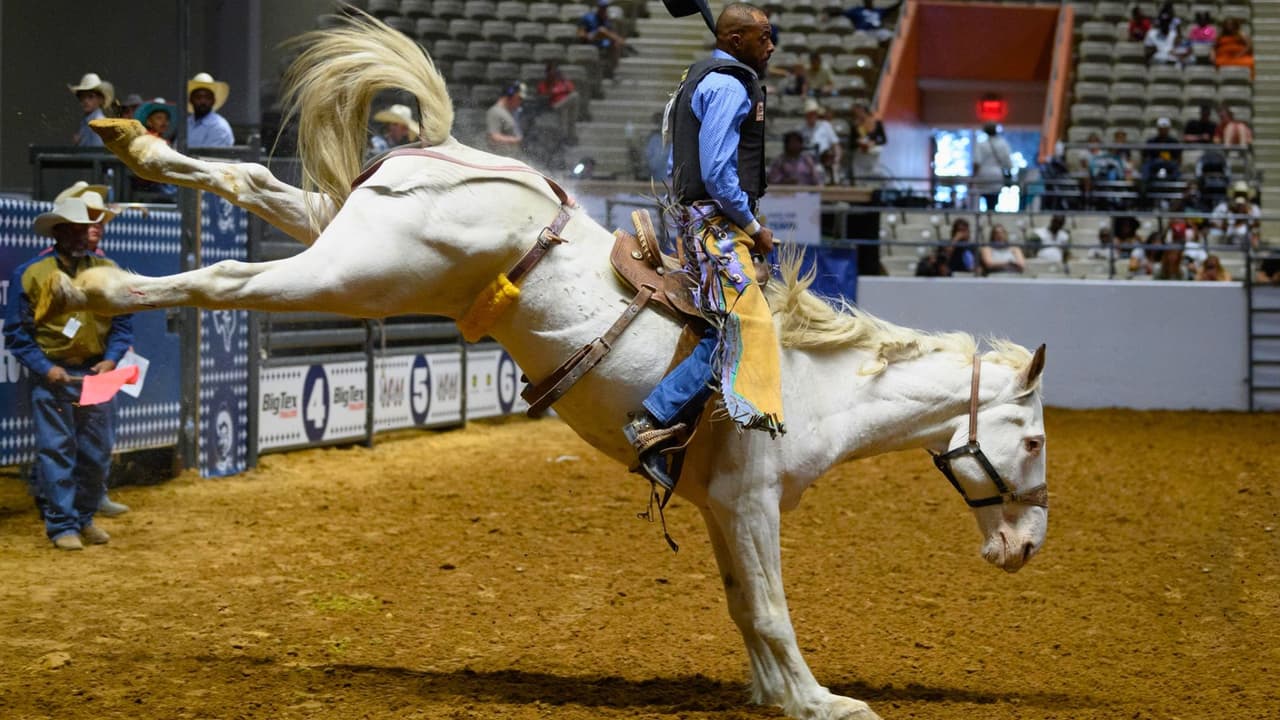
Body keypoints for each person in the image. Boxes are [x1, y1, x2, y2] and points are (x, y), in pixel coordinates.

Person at [625, 2, 779, 495]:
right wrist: (755, 227)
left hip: (695, 221)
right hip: (715, 225)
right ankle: (655, 417)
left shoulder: (705, 77)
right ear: (736, 41)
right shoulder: (730, 84)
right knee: (741, 326)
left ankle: (679, 436)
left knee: (723, 323)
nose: (771, 46)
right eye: (764, 37)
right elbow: (717, 173)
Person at [2, 197, 134, 549]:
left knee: (97, 451)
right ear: (58, 232)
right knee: (57, 449)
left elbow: (123, 323)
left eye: (83, 229)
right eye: (73, 230)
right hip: (56, 377)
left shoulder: (108, 269)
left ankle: (83, 517)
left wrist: (112, 358)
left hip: (96, 374)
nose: (80, 236)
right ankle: (63, 525)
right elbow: (16, 333)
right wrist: (47, 368)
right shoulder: (32, 273)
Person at [579, 0, 631, 79]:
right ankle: (624, 44)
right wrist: (589, 36)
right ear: (598, 7)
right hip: (589, 41)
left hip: (602, 42)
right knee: (602, 30)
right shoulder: (588, 17)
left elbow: (610, 34)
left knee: (615, 43)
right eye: (602, 7)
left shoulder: (606, 20)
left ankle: (614, 70)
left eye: (605, 7)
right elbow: (581, 34)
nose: (604, 9)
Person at [537, 61, 582, 146]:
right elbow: (544, 96)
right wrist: (553, 91)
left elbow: (572, 90)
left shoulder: (563, 82)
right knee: (571, 101)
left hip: (564, 106)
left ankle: (567, 137)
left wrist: (558, 90)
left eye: (554, 72)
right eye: (550, 72)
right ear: (547, 73)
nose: (553, 74)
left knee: (573, 98)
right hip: (553, 106)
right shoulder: (544, 84)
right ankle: (569, 136)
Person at [187, 72, 234, 147]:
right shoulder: (186, 123)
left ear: (213, 101)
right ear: (190, 100)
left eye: (207, 97)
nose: (203, 101)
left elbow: (211, 157)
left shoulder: (219, 127)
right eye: (198, 97)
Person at [973, 123, 1013, 212]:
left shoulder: (981, 144)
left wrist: (974, 177)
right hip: (997, 174)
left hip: (983, 175)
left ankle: (987, 216)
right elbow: (1008, 163)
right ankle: (991, 214)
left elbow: (977, 162)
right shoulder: (1003, 144)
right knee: (994, 200)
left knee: (984, 198)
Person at [68, 72, 113, 147]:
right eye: (82, 97)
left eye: (91, 96)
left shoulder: (99, 123)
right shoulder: (86, 122)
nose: (85, 101)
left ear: (101, 99)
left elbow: (96, 154)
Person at [1210, 181, 1260, 247]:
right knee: (1214, 232)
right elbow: (1213, 222)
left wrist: (1246, 215)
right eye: (1238, 194)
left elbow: (1258, 224)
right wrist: (1226, 223)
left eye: (1243, 194)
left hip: (1246, 235)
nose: (1240, 196)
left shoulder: (1254, 208)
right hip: (1226, 234)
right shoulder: (1223, 207)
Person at [848, 101, 886, 183]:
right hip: (860, 158)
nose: (857, 114)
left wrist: (873, 143)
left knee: (877, 177)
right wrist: (858, 143)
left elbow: (884, 140)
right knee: (859, 180)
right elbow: (851, 144)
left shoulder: (877, 123)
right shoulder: (855, 126)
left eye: (858, 111)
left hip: (873, 157)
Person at [486, 82, 525, 157]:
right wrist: (516, 140)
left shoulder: (508, 112)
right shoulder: (495, 111)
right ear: (511, 95)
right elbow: (493, 137)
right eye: (519, 98)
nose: (521, 102)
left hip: (509, 158)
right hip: (501, 159)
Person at [798, 98, 840, 168]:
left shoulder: (825, 125)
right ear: (805, 115)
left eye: (813, 113)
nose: (812, 116)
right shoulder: (801, 130)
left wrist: (836, 160)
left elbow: (836, 146)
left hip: (824, 162)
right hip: (807, 165)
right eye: (809, 113)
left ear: (817, 114)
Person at [1142, 117, 1182, 182]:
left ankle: (1176, 186)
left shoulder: (1174, 142)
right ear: (1158, 129)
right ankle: (1144, 184)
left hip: (1169, 162)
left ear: (1168, 129)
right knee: (1146, 166)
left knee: (1176, 167)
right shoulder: (1151, 141)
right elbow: (1145, 156)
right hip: (1155, 162)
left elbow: (1178, 158)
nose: (1163, 130)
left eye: (1165, 128)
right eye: (1161, 128)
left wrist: (1172, 160)